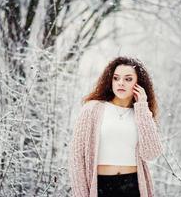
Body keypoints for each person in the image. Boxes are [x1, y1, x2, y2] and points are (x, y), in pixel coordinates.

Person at [68, 56, 163, 197]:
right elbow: (76, 157)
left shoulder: (141, 113)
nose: (121, 83)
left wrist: (142, 107)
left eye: (128, 79)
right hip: (101, 187)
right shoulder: (92, 109)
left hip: (133, 186)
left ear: (139, 83)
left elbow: (152, 153)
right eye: (116, 78)